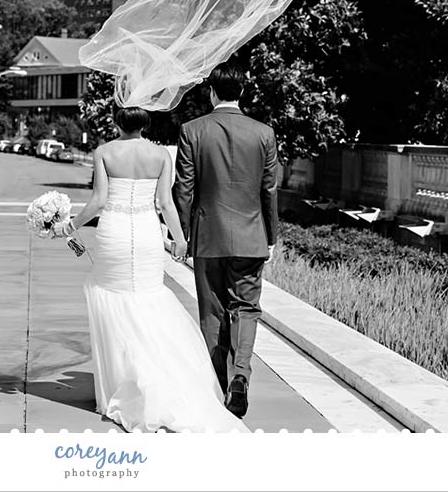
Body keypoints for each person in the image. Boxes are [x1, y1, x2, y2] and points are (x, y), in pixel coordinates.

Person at [52, 106, 249, 433]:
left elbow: (100, 201)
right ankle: (158, 376)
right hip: (146, 232)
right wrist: (180, 239)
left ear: (118, 122)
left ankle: (122, 382)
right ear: (146, 124)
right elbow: (166, 204)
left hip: (114, 232)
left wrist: (71, 225)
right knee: (148, 297)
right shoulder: (160, 156)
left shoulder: (105, 152)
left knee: (113, 300)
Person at [172, 62, 279, 418]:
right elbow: (269, 190)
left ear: (211, 92)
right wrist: (272, 236)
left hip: (208, 237)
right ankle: (241, 377)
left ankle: (217, 384)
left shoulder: (192, 130)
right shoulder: (264, 133)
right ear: (243, 93)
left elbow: (184, 189)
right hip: (251, 236)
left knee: (213, 312)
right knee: (247, 309)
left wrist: (181, 234)